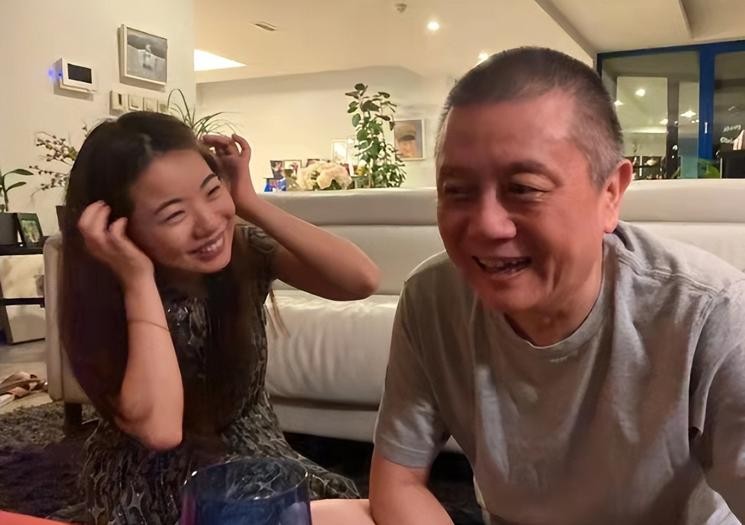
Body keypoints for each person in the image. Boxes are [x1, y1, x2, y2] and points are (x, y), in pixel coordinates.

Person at [370, 47, 745, 524]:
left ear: (610, 194)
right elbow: (398, 482)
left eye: (524, 188)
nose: (485, 226)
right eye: (457, 191)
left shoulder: (707, 312)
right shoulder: (431, 301)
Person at [59, 111, 380, 524]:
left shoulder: (245, 253)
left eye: (212, 191)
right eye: (174, 215)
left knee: (366, 512)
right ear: (118, 229)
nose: (209, 223)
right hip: (159, 479)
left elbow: (360, 279)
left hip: (254, 451)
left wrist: (249, 202)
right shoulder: (113, 295)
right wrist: (138, 281)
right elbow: (160, 432)